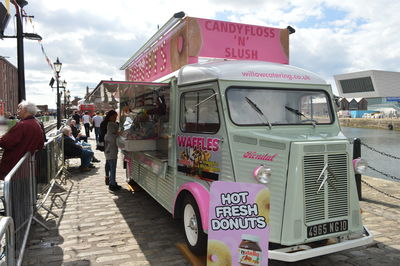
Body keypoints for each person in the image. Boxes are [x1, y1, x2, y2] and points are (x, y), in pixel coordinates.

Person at [0, 101, 45, 179]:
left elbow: (6, 142)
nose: (17, 111)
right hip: (27, 166)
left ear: (26, 110)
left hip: (15, 166)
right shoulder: (36, 123)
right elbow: (41, 144)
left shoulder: (22, 125)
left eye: (19, 108)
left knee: (14, 190)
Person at [99, 110, 118, 185]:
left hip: (106, 144)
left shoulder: (105, 123)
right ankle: (110, 180)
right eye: (114, 117)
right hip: (108, 144)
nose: (115, 118)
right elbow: (109, 135)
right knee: (110, 162)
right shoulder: (109, 124)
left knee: (108, 161)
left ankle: (108, 178)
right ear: (110, 116)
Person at [104, 113, 121, 191]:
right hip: (111, 151)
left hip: (109, 151)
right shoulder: (111, 127)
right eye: (114, 116)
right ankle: (112, 184)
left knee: (111, 167)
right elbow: (113, 139)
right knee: (113, 167)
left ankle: (112, 181)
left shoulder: (109, 129)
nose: (115, 118)